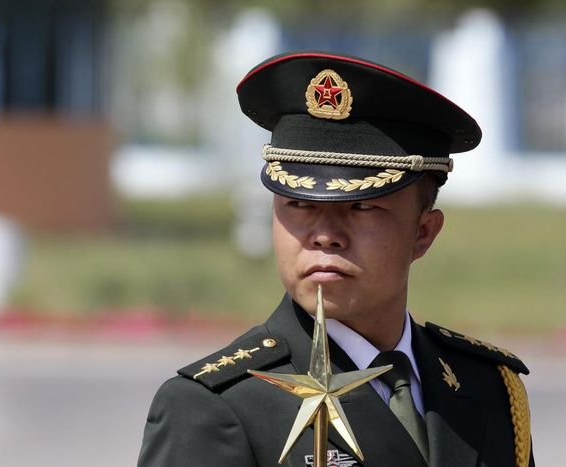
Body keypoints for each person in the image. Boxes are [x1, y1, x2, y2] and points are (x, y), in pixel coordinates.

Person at [137, 51, 533, 467]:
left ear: (423, 233)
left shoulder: (487, 388)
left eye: (362, 208)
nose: (325, 236)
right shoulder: (217, 407)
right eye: (298, 204)